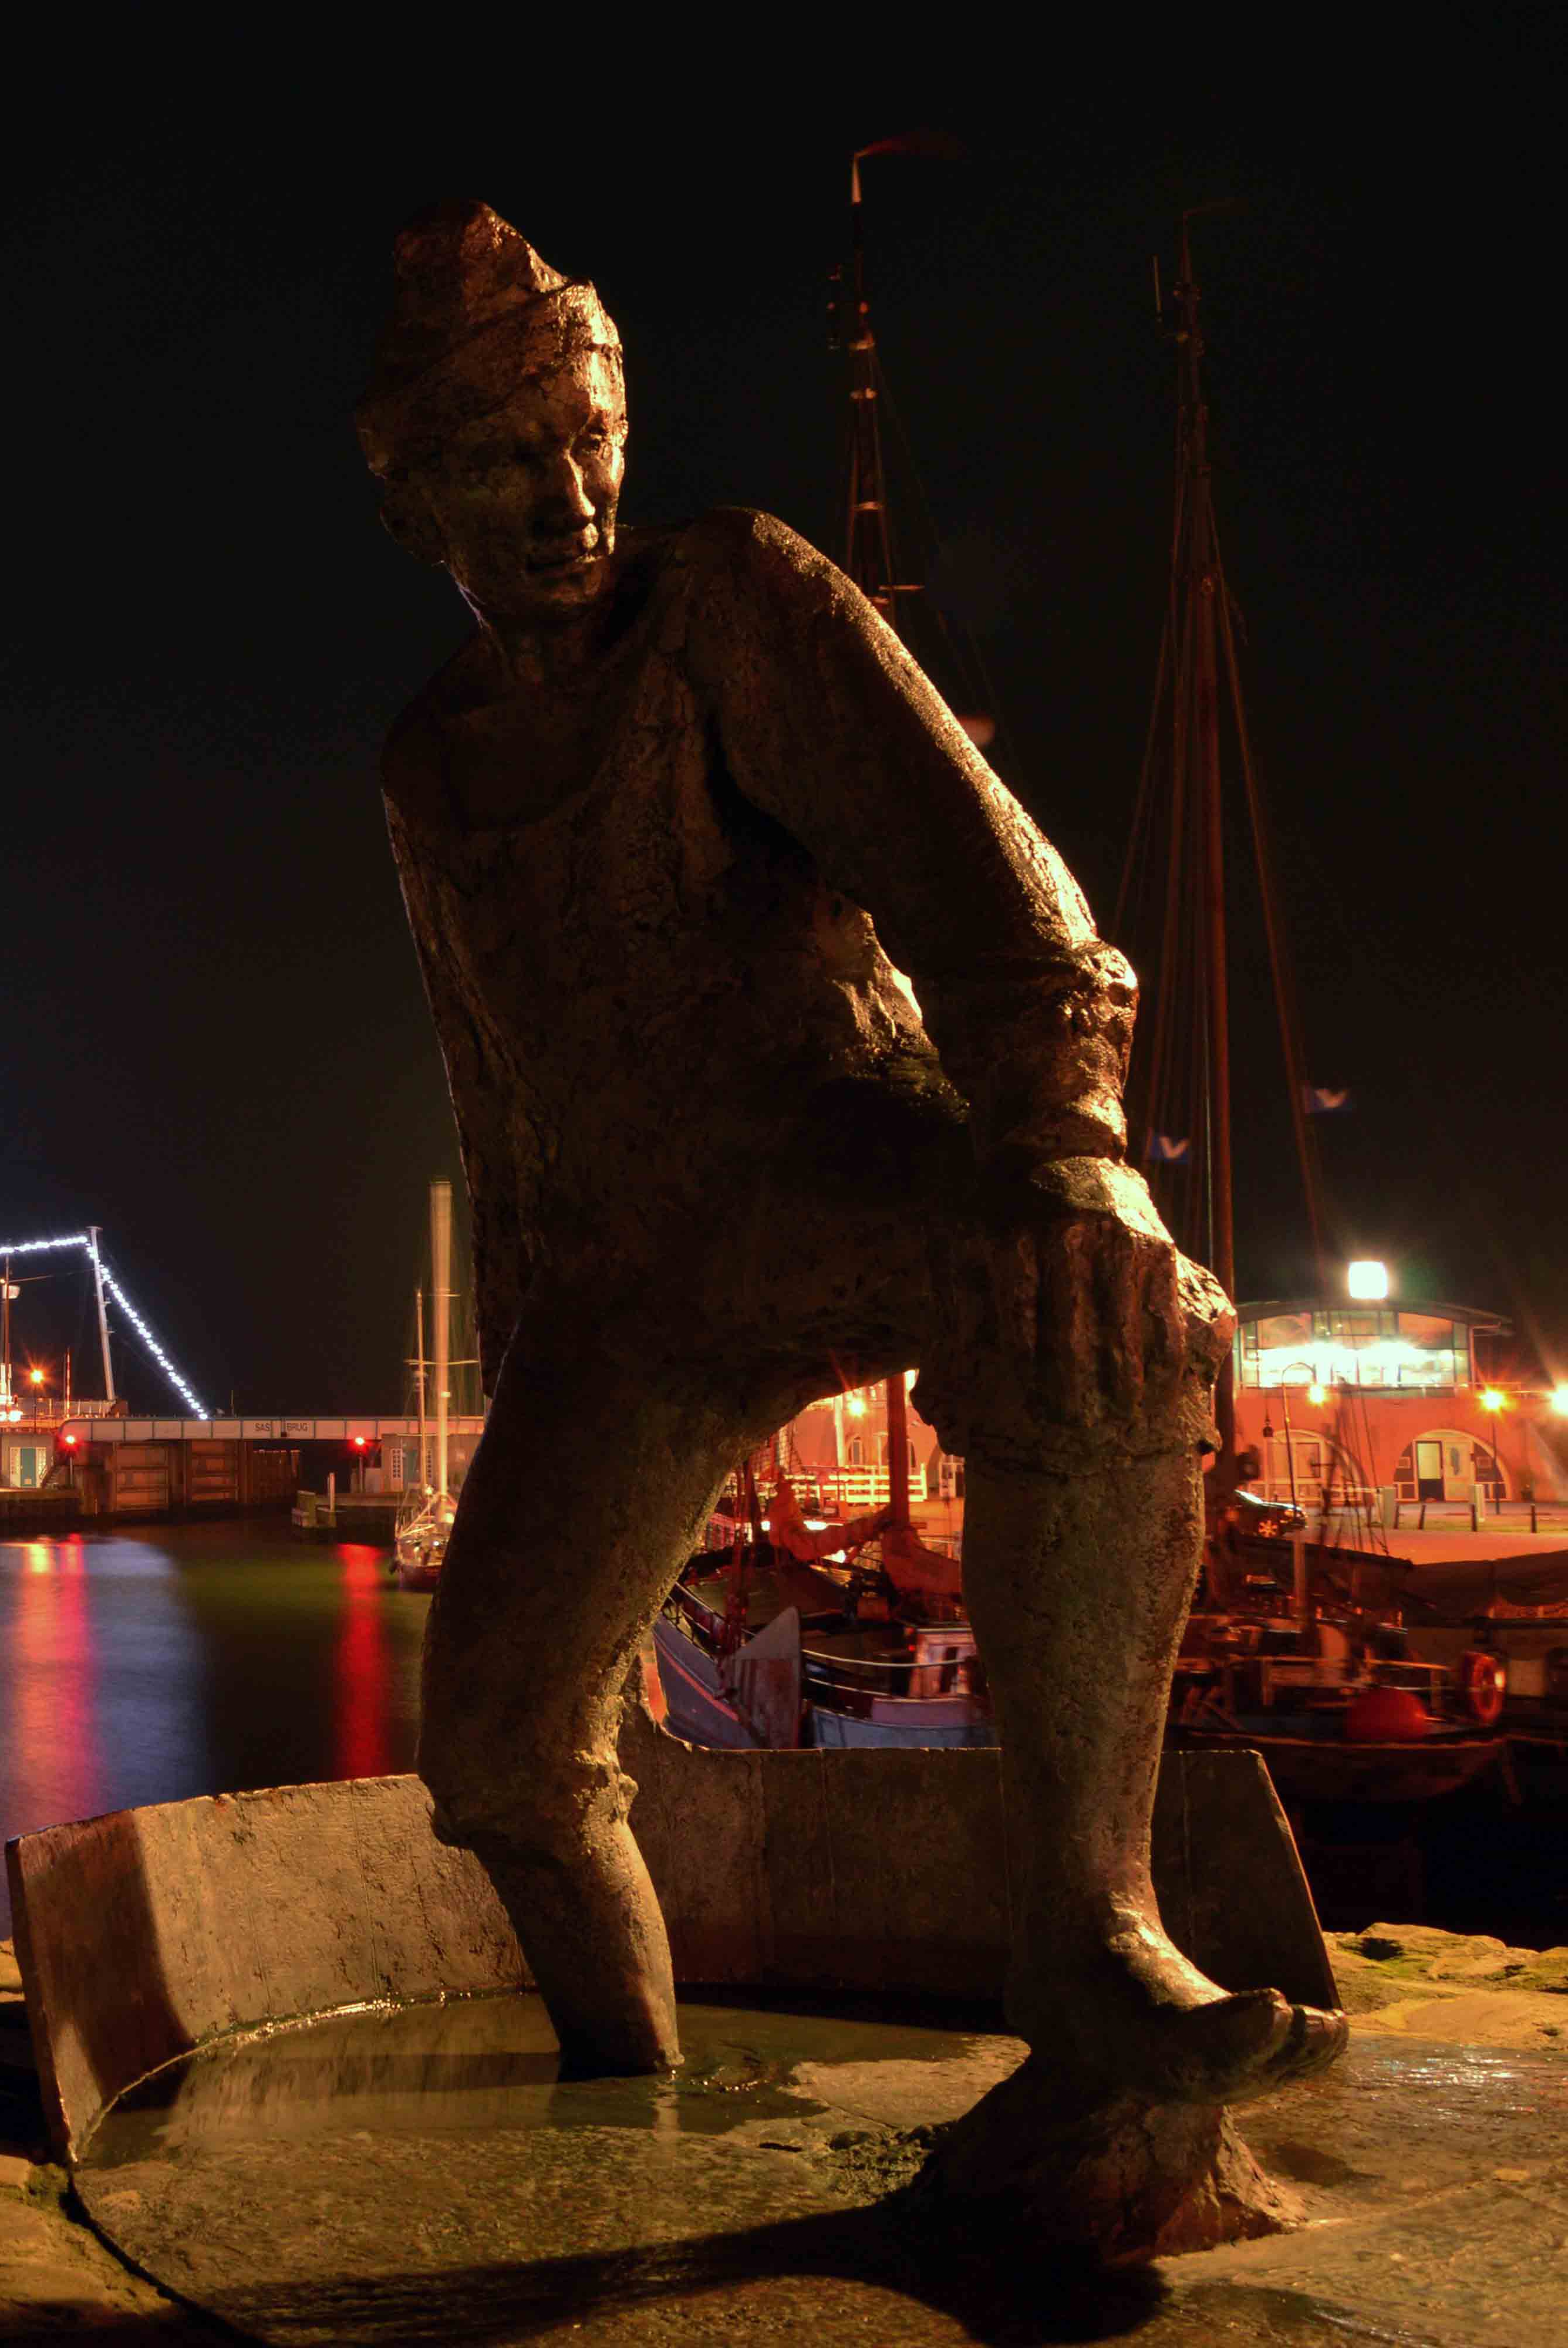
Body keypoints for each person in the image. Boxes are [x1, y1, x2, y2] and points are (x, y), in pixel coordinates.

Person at [357, 203, 1340, 2124]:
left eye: (588, 436)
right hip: (628, 1288)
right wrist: (532, 1372)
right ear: (416, 511)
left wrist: (1066, 1151)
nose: (566, 496)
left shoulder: (728, 601)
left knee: (1117, 1327)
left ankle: (1096, 1937)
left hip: (847, 1160)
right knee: (495, 1750)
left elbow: (985, 882)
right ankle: (621, 2091)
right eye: (501, 464)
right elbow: (497, 1070)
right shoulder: (432, 762)